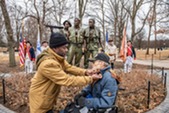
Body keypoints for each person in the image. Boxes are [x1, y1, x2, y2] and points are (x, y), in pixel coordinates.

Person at [29, 33, 101, 113]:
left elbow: (69, 67)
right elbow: (67, 80)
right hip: (40, 101)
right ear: (55, 48)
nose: (66, 50)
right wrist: (90, 79)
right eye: (64, 48)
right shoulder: (48, 63)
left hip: (46, 99)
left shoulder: (57, 57)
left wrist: (86, 72)